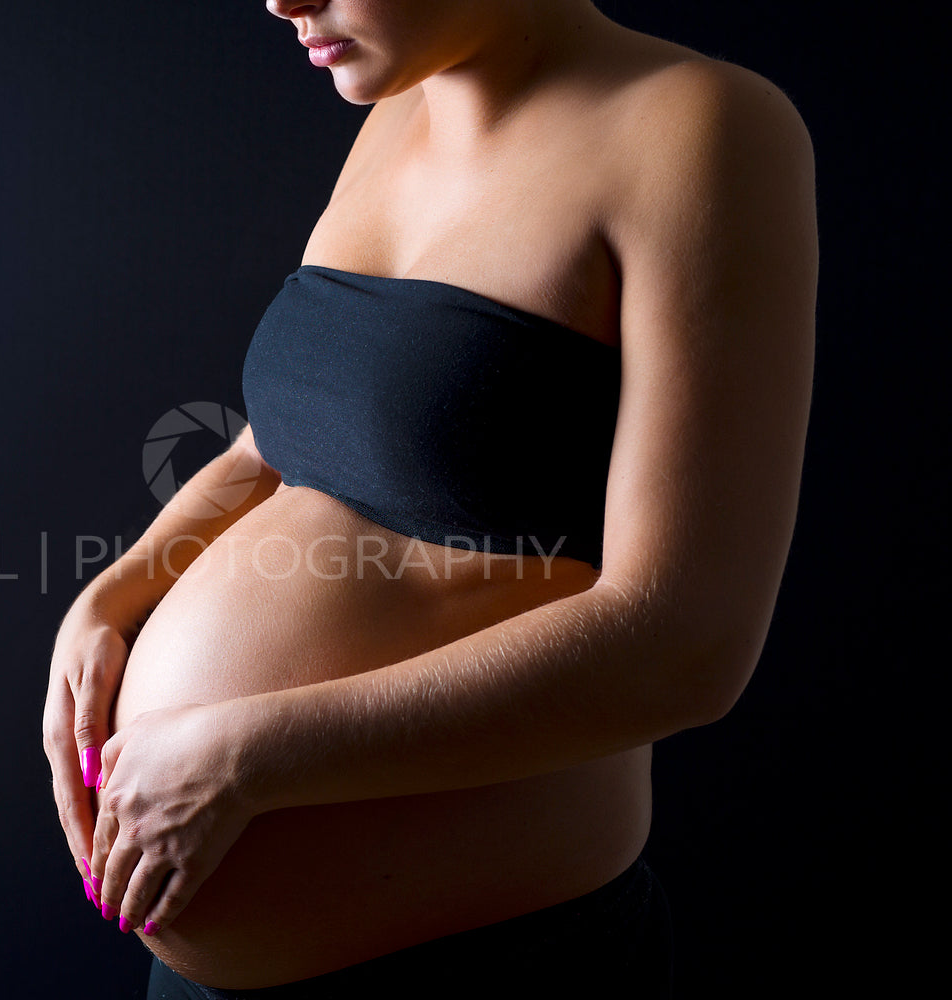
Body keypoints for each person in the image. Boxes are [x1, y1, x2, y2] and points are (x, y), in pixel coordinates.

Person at [43, 1, 816, 996]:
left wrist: (247, 757)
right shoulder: (392, 106)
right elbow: (286, 442)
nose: (284, 1)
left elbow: (688, 643)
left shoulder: (699, 125)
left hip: (488, 965)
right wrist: (112, 597)